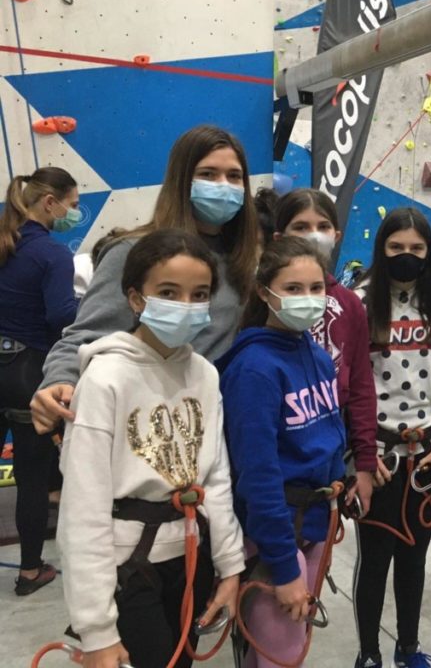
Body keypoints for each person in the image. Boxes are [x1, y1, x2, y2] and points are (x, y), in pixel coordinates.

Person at [58, 229, 245, 668]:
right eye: (168, 292)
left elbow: (215, 477)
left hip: (190, 555)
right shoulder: (106, 379)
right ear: (136, 298)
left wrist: (230, 565)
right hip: (128, 566)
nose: (185, 305)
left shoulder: (204, 374)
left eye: (199, 294)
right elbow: (82, 510)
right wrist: (97, 628)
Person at [30, 125, 262, 436]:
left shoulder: (243, 260)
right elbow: (84, 337)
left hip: (221, 426)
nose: (223, 186)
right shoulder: (133, 252)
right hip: (149, 425)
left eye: (234, 177)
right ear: (182, 181)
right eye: (208, 174)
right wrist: (59, 380)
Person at [219, 237, 351, 668]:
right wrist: (283, 565)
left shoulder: (313, 353)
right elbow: (257, 476)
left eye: (316, 288)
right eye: (293, 289)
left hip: (312, 526)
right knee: (275, 656)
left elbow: (327, 432)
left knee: (290, 649)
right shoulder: (255, 368)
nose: (308, 299)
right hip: (276, 536)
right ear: (263, 291)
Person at [352, 207, 431, 668]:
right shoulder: (359, 304)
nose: (406, 256)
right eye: (396, 248)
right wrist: (360, 455)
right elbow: (350, 385)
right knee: (375, 558)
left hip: (427, 457)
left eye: (416, 249)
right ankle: (368, 653)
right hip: (378, 456)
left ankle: (407, 648)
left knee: (414, 556)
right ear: (381, 249)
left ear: (428, 252)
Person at [271, 189, 376, 516]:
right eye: (300, 226)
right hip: (276, 451)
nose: (313, 235)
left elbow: (360, 384)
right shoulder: (266, 299)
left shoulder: (349, 303)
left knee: (318, 550)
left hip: (329, 452)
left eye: (322, 226)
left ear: (337, 235)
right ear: (279, 237)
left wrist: (365, 460)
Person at [0, 167, 80, 595]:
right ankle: (30, 572)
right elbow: (61, 317)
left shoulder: (5, 243)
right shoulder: (52, 254)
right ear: (50, 204)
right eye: (73, 203)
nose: (75, 211)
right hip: (26, 370)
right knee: (31, 476)